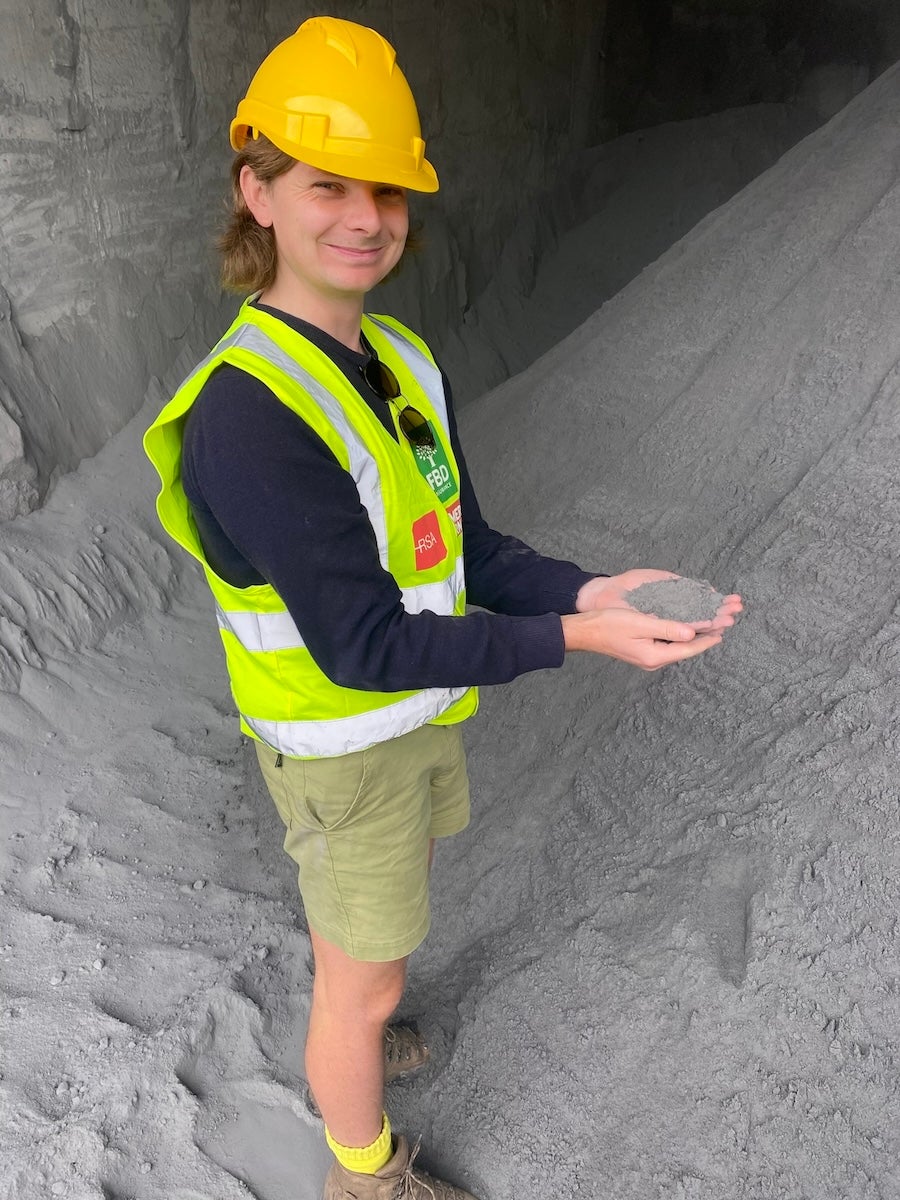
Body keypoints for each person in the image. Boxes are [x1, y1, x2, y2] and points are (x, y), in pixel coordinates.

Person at [143, 16, 741, 1200]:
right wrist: (575, 637)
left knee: (375, 948)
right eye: (327, 185)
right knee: (361, 979)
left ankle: (358, 1028)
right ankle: (363, 1169)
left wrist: (581, 587)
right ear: (254, 193)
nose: (366, 217)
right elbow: (363, 643)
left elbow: (458, 549)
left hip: (406, 724)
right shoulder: (250, 419)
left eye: (388, 190)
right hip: (345, 748)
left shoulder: (399, 359)